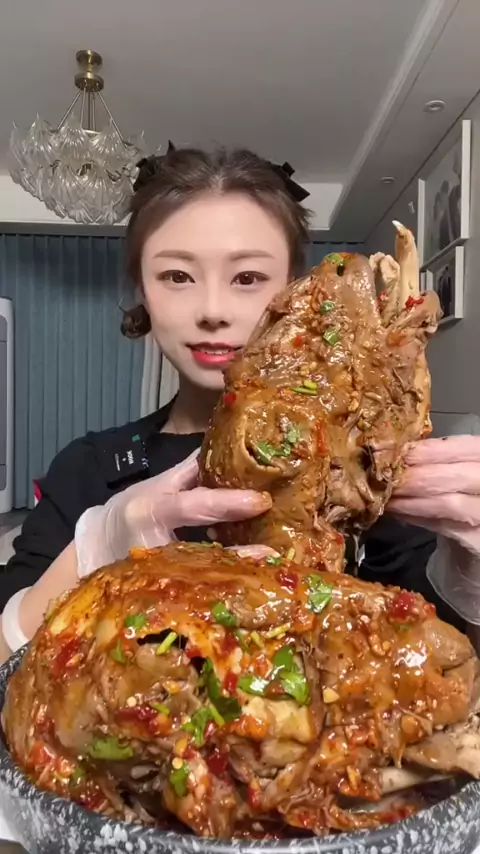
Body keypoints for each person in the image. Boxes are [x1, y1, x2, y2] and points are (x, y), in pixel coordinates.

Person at [1, 146, 480, 662]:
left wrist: (468, 586)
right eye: (177, 276)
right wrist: (95, 548)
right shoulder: (89, 470)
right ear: (142, 287)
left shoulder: (366, 465)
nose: (213, 310)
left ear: (293, 291)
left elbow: (441, 668)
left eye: (248, 278)